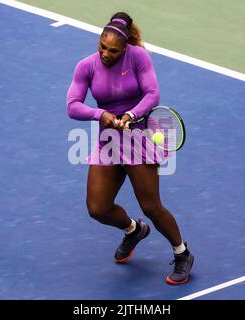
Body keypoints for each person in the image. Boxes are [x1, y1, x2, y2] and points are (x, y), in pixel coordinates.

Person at [66, 12, 194, 285]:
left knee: (151, 205)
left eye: (113, 50)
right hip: (108, 142)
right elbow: (73, 105)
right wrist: (100, 115)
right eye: (102, 47)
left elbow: (152, 94)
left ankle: (182, 253)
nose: (105, 54)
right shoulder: (86, 66)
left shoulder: (138, 57)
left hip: (140, 138)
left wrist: (131, 115)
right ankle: (133, 230)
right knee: (97, 208)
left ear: (125, 48)